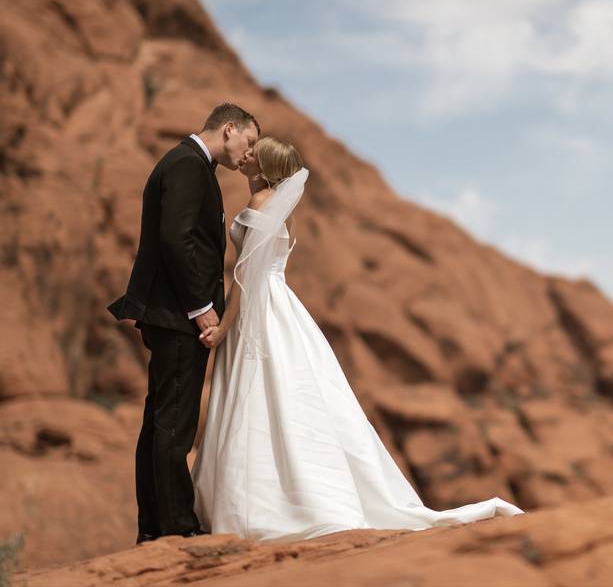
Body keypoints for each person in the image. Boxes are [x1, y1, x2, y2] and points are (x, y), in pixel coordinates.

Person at [190, 136, 523, 541]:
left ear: (263, 167)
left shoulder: (262, 206)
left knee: (262, 392)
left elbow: (245, 274)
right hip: (279, 304)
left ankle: (266, 504)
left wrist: (224, 326)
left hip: (262, 305)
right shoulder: (282, 208)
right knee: (285, 393)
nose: (243, 156)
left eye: (252, 154)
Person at [107, 103, 260, 545]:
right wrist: (199, 307)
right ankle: (176, 526)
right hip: (178, 316)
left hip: (169, 312)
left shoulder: (185, 163)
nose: (246, 153)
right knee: (174, 423)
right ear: (228, 129)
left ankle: (155, 526)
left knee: (159, 420)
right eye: (247, 142)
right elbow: (177, 238)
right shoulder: (189, 166)